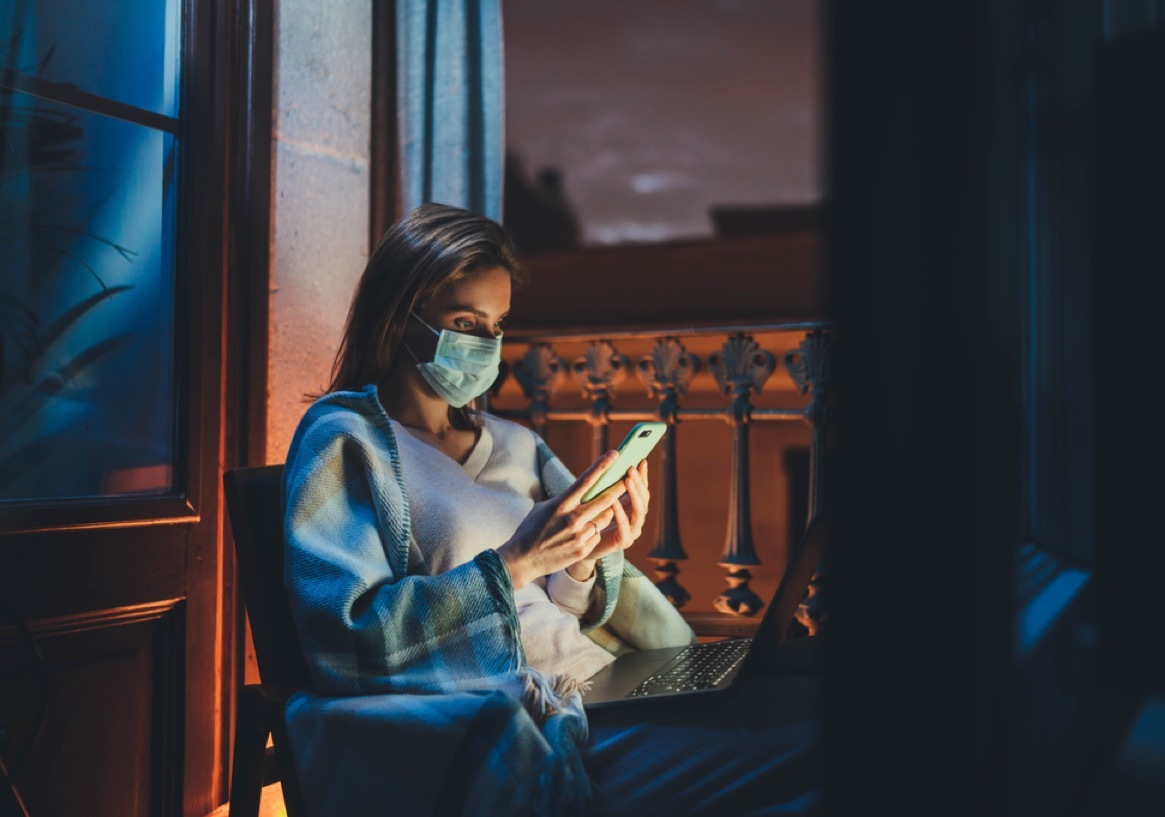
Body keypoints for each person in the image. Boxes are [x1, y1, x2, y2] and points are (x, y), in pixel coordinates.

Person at [281, 203, 821, 817]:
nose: (486, 344)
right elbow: (343, 635)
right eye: (465, 321)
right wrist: (515, 560)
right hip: (549, 721)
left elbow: (563, 605)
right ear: (402, 315)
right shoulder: (348, 440)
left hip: (606, 680)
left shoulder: (516, 443)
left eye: (498, 324)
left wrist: (584, 559)